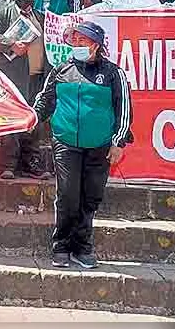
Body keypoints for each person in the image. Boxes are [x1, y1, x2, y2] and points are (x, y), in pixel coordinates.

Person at [34, 21, 133, 269]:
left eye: (83, 41)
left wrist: (118, 142)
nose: (77, 45)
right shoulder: (60, 71)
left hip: (99, 144)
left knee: (91, 196)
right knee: (67, 194)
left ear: (96, 45)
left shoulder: (113, 74)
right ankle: (61, 246)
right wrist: (29, 118)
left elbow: (124, 111)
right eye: (74, 41)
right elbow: (44, 102)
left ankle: (83, 247)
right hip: (65, 141)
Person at [0, 0, 49, 180]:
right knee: (13, 116)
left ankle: (32, 163)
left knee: (34, 118)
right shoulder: (3, 13)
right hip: (13, 76)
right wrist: (11, 44)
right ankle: (9, 164)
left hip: (37, 76)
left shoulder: (41, 17)